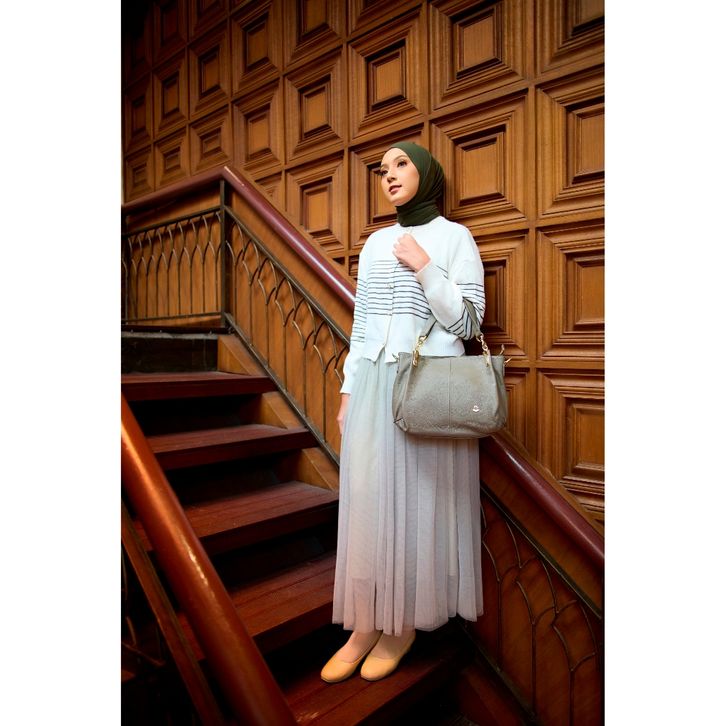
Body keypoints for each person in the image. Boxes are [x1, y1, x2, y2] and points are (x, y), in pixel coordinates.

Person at [320, 142, 485, 683]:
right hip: (373, 386)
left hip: (425, 389)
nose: (388, 175)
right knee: (369, 503)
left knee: (418, 504)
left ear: (426, 173)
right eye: (382, 169)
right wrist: (349, 391)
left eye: (401, 164)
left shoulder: (454, 237)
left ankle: (402, 625)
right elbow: (362, 324)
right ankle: (365, 623)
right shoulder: (374, 243)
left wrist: (426, 268)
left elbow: (468, 323)